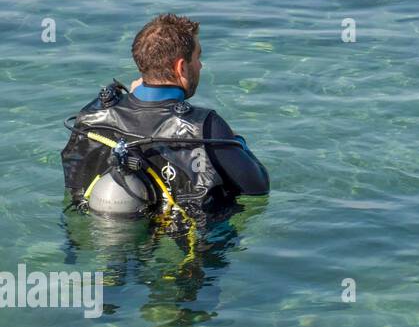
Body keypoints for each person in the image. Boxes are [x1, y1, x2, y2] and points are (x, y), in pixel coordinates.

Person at [62, 13, 269, 216]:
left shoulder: (90, 116)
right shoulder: (205, 126)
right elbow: (258, 187)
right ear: (181, 67)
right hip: (188, 242)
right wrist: (234, 139)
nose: (200, 65)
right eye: (198, 57)